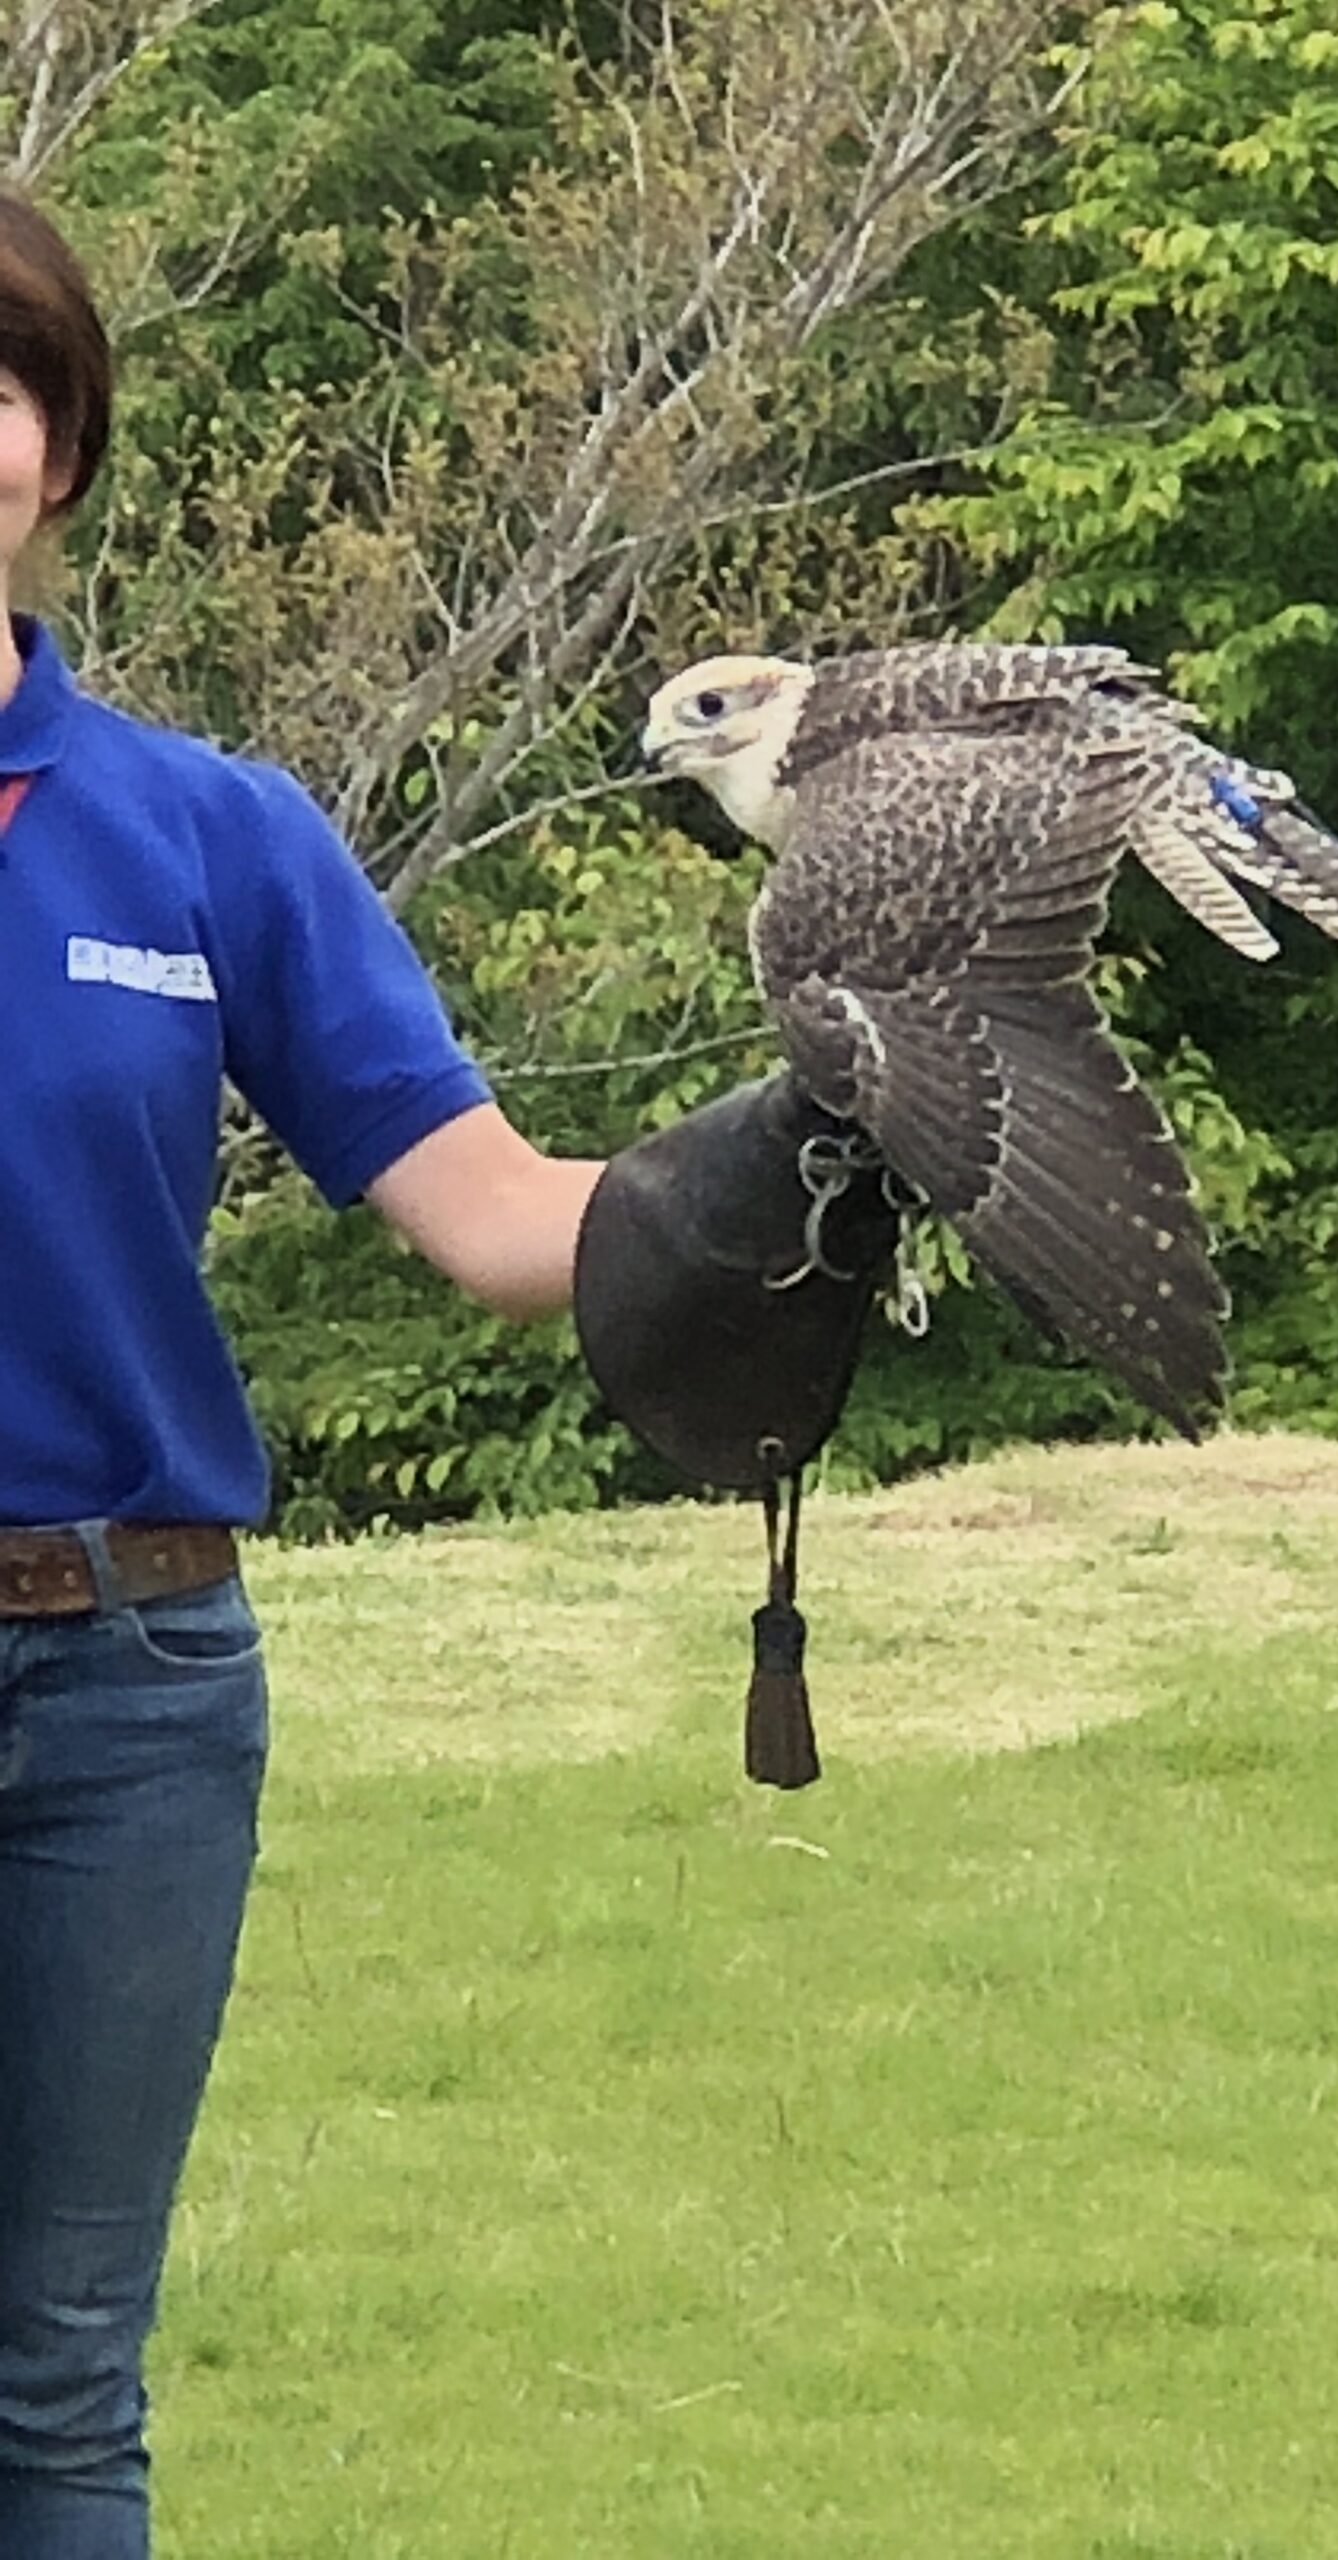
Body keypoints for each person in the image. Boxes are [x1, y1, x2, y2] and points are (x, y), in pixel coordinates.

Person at [0, 193, 888, 2556]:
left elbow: (495, 1214)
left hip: (126, 1697)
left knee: (57, 2389)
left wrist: (811, 1161)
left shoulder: (208, 837)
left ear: (59, 446)